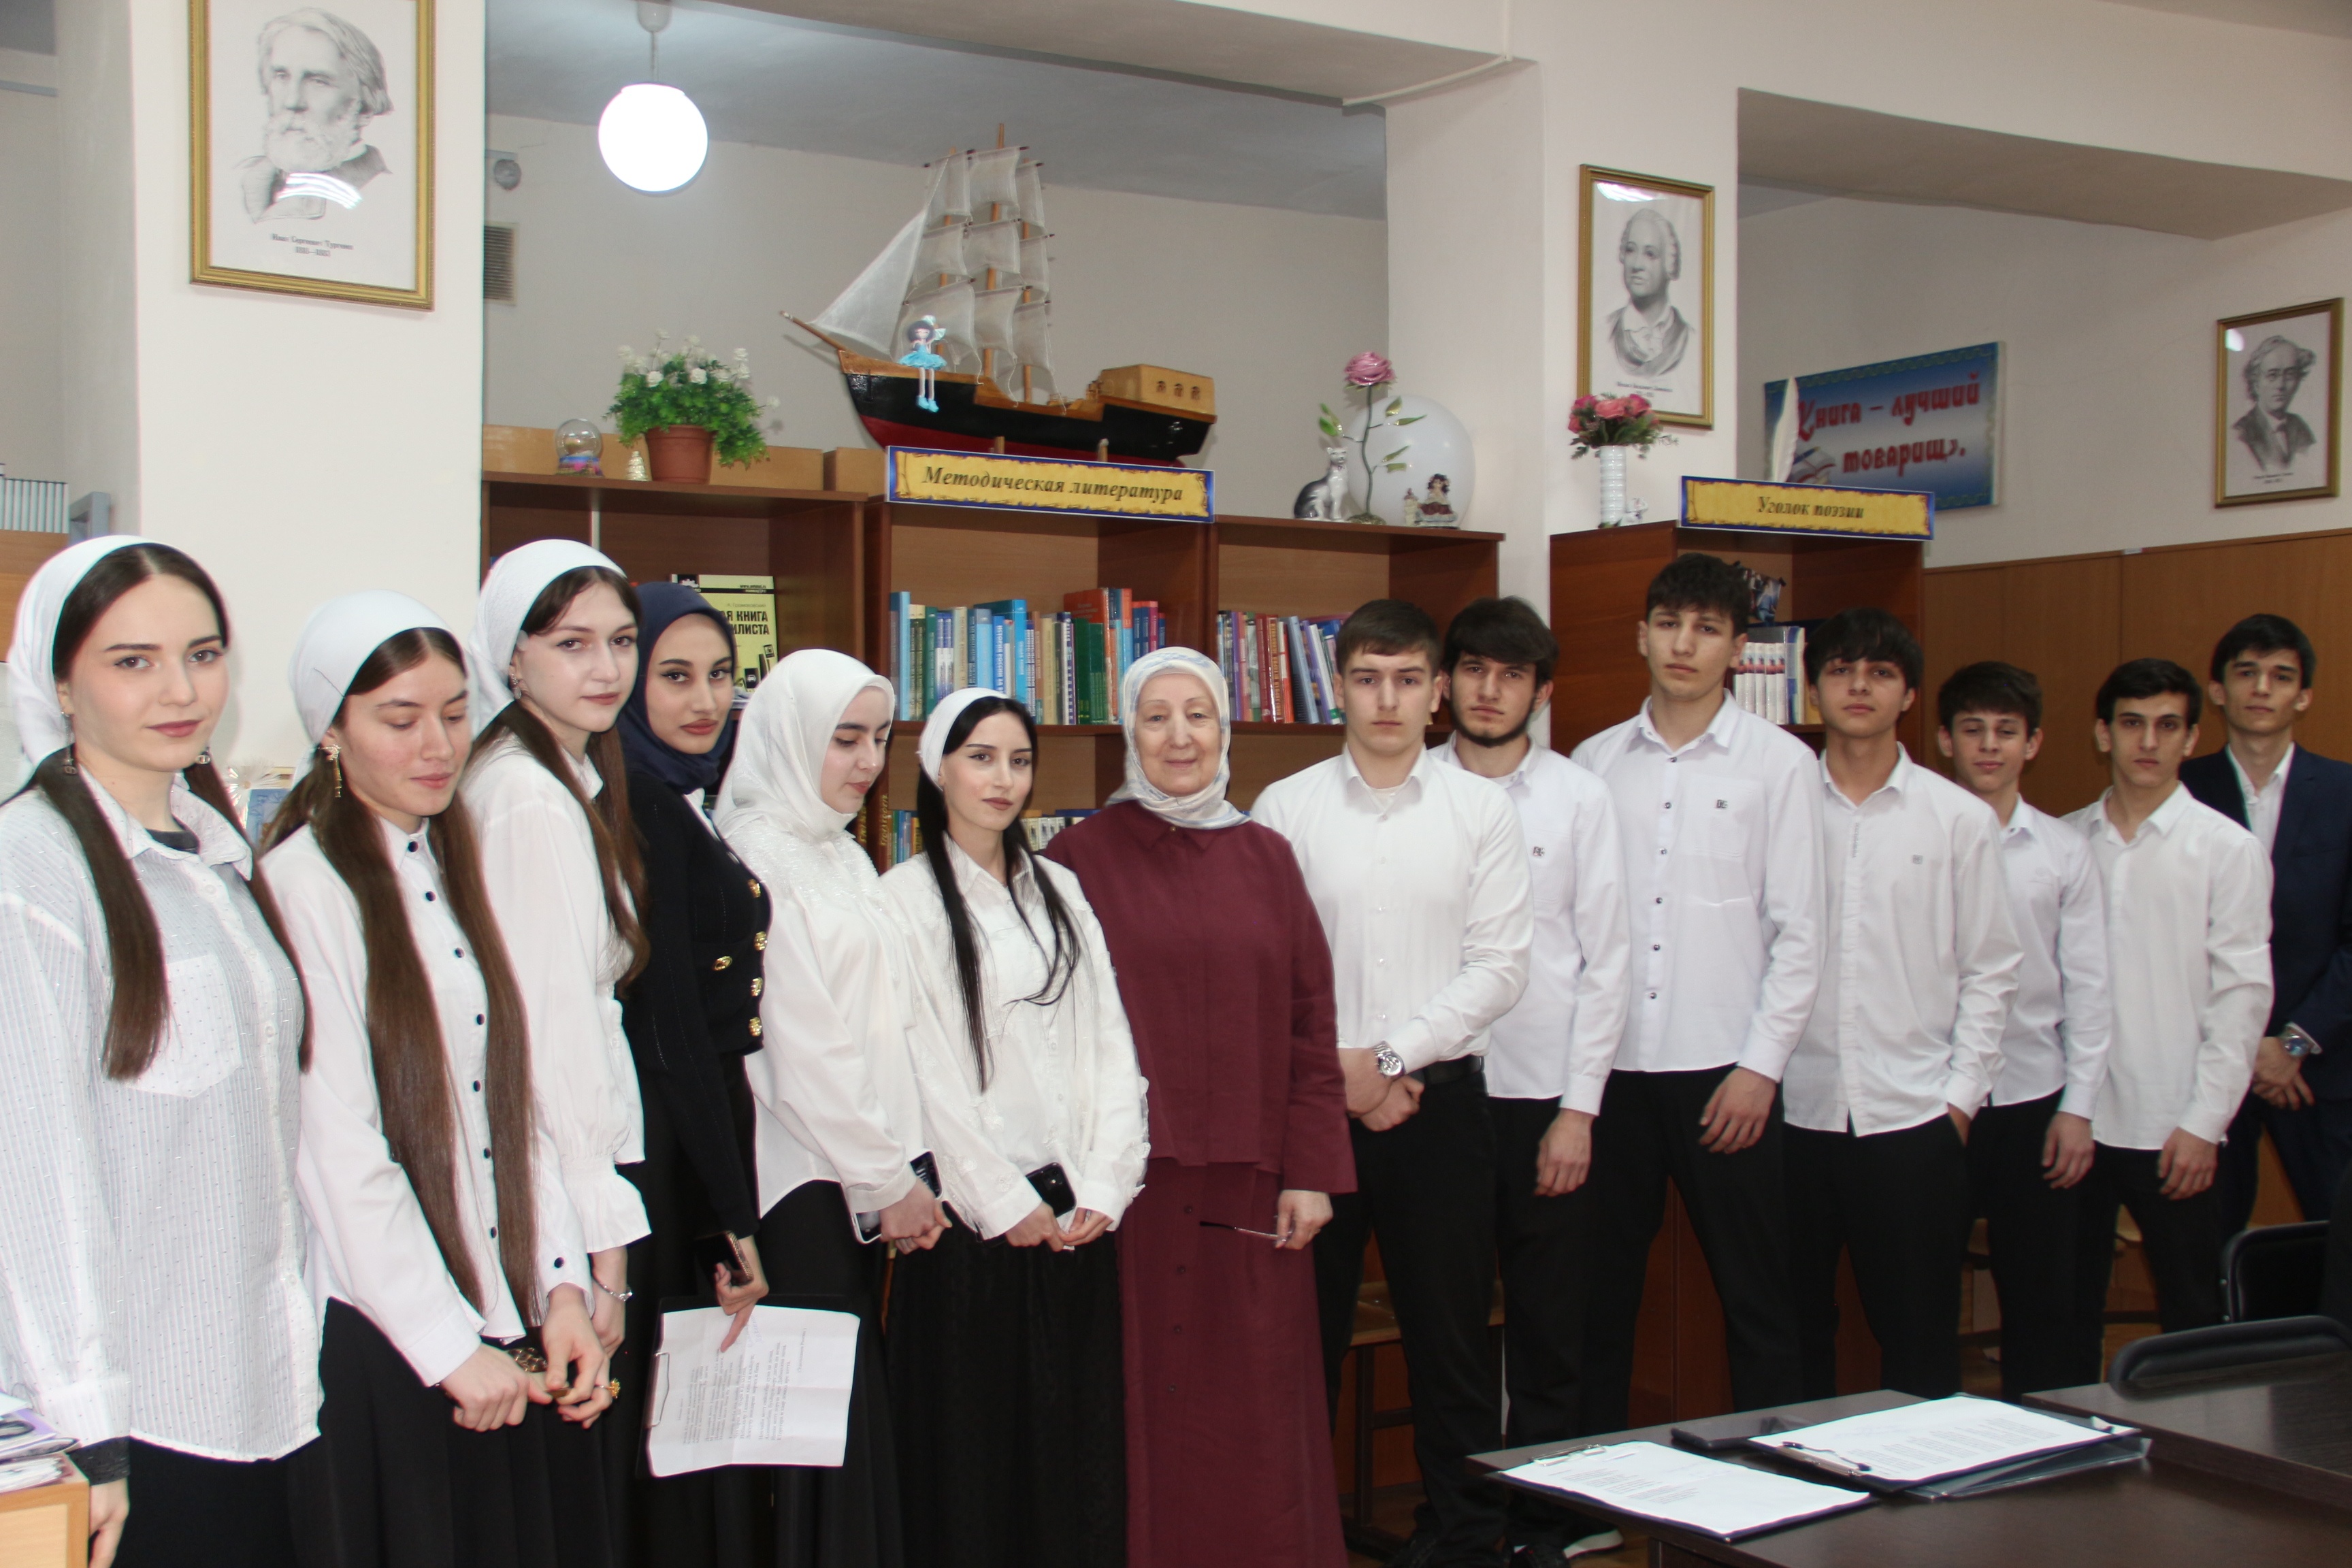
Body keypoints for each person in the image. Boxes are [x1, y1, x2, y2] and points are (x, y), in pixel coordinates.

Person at [264, 592, 614, 1567]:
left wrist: (563, 1289)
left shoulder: (455, 860)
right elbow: (337, 1149)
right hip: (393, 1340)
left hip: (501, 1324)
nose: (437, 745)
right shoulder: (304, 885)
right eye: (400, 718)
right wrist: (446, 1344)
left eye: (456, 714)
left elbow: (512, 1105)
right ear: (332, 732)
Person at [0, 538, 314, 1568]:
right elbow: (34, 1178)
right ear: (60, 682)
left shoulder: (216, 854)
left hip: (267, 1392)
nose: (181, 690)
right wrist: (85, 1433)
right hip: (136, 1423)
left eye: (203, 654)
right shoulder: (30, 871)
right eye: (132, 661)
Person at [1043, 647, 1355, 1568]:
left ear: (1225, 729)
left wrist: (1312, 1172)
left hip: (1253, 1188)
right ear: (1129, 733)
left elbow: (1310, 1020)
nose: (1179, 737)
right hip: (1124, 1189)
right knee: (1133, 1402)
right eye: (1156, 717)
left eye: (1199, 715)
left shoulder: (1269, 857)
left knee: (1251, 1411)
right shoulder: (1075, 859)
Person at [1254, 600, 1531, 1568]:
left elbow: (1499, 967)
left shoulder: (1483, 811)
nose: (1387, 699)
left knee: (1451, 1340)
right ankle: (1298, 1536)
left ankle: (1462, 1540)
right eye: (1368, 679)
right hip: (1308, 1112)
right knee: (1302, 1339)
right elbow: (1265, 967)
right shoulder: (1284, 809)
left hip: (1439, 1107)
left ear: (1438, 691)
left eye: (1409, 680)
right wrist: (1338, 1074)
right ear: (1338, 687)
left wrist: (1389, 1062)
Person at [880, 688, 1148, 1568]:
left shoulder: (1060, 888)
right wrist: (1000, 1200)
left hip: (1074, 1221)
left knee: (1075, 1463)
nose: (1003, 779)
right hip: (973, 1232)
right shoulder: (902, 901)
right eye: (981, 757)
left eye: (1020, 760)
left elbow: (1110, 1041)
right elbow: (922, 1072)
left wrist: (1107, 1180)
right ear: (937, 769)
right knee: (976, 1473)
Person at [1569, 552, 1814, 1431]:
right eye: (1670, 624)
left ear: (1739, 649)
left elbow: (1801, 932)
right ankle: (1593, 1482)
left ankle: (1779, 1482)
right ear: (1642, 635)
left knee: (1759, 1300)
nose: (1684, 644)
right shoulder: (1595, 763)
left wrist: (1761, 1069)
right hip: (1614, 1075)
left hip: (1726, 1075)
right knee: (1599, 1299)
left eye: (1707, 629)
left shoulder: (1781, 764)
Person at [714, 648, 946, 1568]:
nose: (866, 762)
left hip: (857, 1175)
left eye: (879, 739)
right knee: (809, 1429)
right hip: (802, 1182)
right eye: (844, 739)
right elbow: (800, 1051)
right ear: (788, 735)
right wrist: (888, 1179)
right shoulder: (753, 854)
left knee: (841, 1420)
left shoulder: (840, 851)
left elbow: (887, 1021)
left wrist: (904, 1167)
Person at [1435, 598, 1629, 1568]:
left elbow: (1609, 961)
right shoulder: (1412, 790)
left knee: (1552, 1326)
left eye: (1511, 675)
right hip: (1436, 1098)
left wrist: (1579, 1111)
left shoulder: (1580, 799)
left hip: (1547, 1100)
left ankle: (1548, 1522)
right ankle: (1464, 1522)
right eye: (1474, 669)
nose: (1489, 689)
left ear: (1541, 694)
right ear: (1445, 683)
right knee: (1454, 1327)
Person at [1782, 612, 2019, 1401]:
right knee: (1793, 1331)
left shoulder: (1958, 818)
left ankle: (1923, 1482)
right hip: (1792, 1112)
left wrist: (1959, 1102)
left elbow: (1992, 969)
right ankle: (1796, 1473)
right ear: (1812, 688)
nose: (1860, 687)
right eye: (1841, 670)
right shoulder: (1778, 805)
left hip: (1913, 1117)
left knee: (1918, 1337)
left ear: (1910, 694)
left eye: (1881, 673)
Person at [606, 583, 781, 1564]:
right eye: (674, 676)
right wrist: (730, 1217)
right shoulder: (642, 806)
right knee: (664, 1431)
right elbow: (674, 1028)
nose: (705, 700)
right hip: (666, 1150)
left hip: (685, 1134)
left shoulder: (677, 799)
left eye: (721, 676)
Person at [461, 541, 652, 1366]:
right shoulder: (528, 796)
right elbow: (552, 1028)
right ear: (512, 657)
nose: (607, 668)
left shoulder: (558, 777)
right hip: (552, 1184)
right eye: (573, 644)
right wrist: (600, 1250)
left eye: (622, 641)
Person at [2065, 659, 2272, 1376]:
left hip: (2175, 1125)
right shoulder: (2065, 842)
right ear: (2103, 734)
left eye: (2167, 726)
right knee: (2067, 1312)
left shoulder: (2227, 849)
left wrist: (2204, 1122)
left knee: (2192, 1315)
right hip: (2076, 1121)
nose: (2148, 742)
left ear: (2191, 738)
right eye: (2131, 724)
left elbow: (2243, 997)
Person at [1935, 661, 2112, 1400]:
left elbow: (2090, 989)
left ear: (2033, 744)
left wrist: (2079, 1109)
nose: (1989, 746)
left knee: (2042, 1300)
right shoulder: (1922, 835)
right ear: (1944, 739)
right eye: (1972, 729)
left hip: (2035, 1097)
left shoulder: (2065, 851)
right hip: (1935, 1098)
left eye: (2006, 732)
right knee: (1925, 1292)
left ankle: (2050, 1440)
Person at [2181, 615, 2352, 1227]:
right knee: (2207, 1242)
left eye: (2281, 677)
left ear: (2303, 696)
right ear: (2218, 690)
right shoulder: (2179, 791)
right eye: (2246, 673)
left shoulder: (2345, 792)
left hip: (2319, 1064)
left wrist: (2294, 1042)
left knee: (2339, 1240)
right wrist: (2245, 1045)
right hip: (2206, 1059)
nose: (2262, 688)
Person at [242, 8, 394, 222]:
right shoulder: (244, 177)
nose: (292, 102)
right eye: (281, 76)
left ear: (365, 108)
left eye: (318, 82)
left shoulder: (385, 195)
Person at [1604, 208, 1693, 388]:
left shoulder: (1692, 340)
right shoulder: (1602, 331)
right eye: (1630, 250)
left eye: (1650, 254)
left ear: (1669, 264)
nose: (1637, 265)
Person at [2232, 336, 2319, 476]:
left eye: (2290, 375)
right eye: (2272, 375)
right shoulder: (2242, 433)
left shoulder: (2300, 427)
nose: (2281, 385)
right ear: (2256, 382)